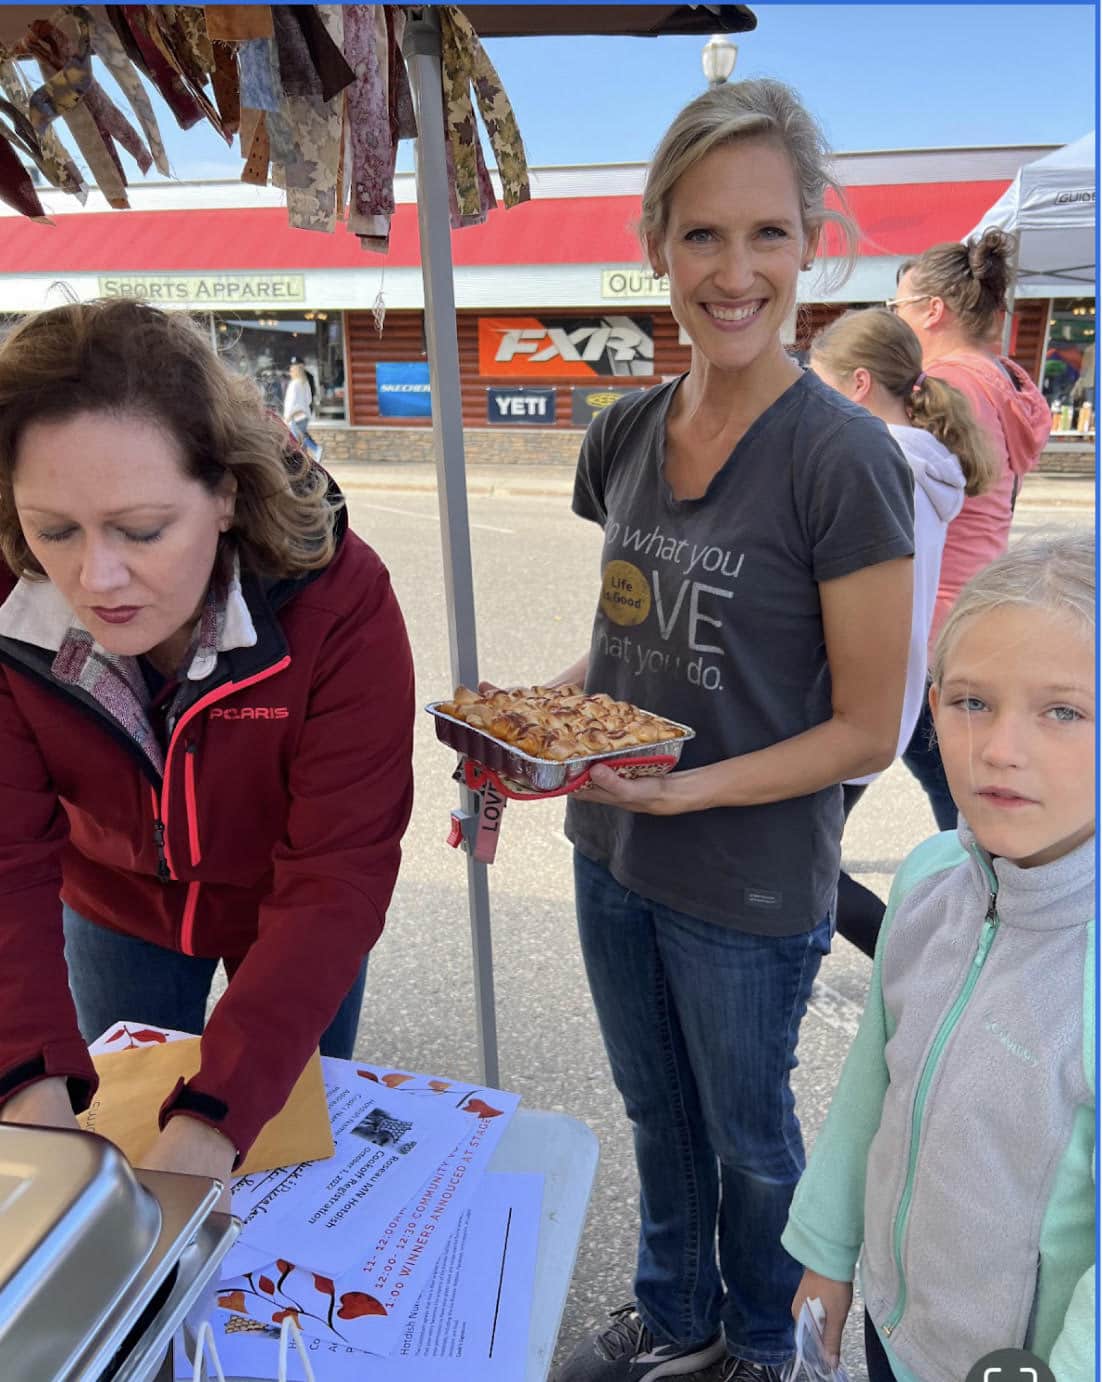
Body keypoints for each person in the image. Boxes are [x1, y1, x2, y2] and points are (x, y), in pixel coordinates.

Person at [542, 80, 916, 1382]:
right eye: (700, 234)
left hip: (746, 879)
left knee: (749, 1136)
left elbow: (870, 726)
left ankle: (764, 1339)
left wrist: (690, 791)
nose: (732, 268)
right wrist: (530, 724)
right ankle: (676, 1309)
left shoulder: (840, 459)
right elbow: (625, 633)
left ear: (810, 239)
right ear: (657, 243)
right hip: (609, 846)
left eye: (764, 233)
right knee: (655, 1109)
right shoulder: (625, 430)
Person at [0, 299, 415, 1195]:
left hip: (289, 912)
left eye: (143, 530)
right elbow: (5, 855)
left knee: (261, 1142)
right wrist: (29, 1094)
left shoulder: (342, 602)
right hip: (110, 902)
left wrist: (214, 1120)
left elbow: (339, 873)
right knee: (94, 1144)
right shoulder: (4, 596)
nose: (94, 579)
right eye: (54, 529)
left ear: (226, 494)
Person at [783, 531, 1095, 1382]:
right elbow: (870, 1093)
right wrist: (828, 1253)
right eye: (970, 702)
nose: (998, 748)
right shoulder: (926, 881)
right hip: (892, 1324)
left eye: (1061, 711)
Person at [808, 307, 997, 958]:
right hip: (893, 693)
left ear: (857, 384)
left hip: (848, 703)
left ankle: (916, 963)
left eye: (820, 386)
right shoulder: (929, 460)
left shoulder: (873, 460)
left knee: (801, 870)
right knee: (806, 864)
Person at [887, 229, 1051, 830]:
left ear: (932, 311)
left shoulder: (942, 388)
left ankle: (985, 909)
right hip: (975, 610)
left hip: (926, 624)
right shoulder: (1007, 380)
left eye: (897, 308)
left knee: (961, 806)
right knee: (962, 795)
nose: (895, 320)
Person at [283, 358, 323, 464]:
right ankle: (305, 458)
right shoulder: (304, 383)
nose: (290, 372)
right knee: (302, 437)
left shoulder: (294, 384)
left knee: (299, 439)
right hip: (304, 415)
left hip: (295, 416)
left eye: (291, 370)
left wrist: (287, 416)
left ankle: (315, 449)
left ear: (294, 371)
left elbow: (290, 402)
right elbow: (309, 399)